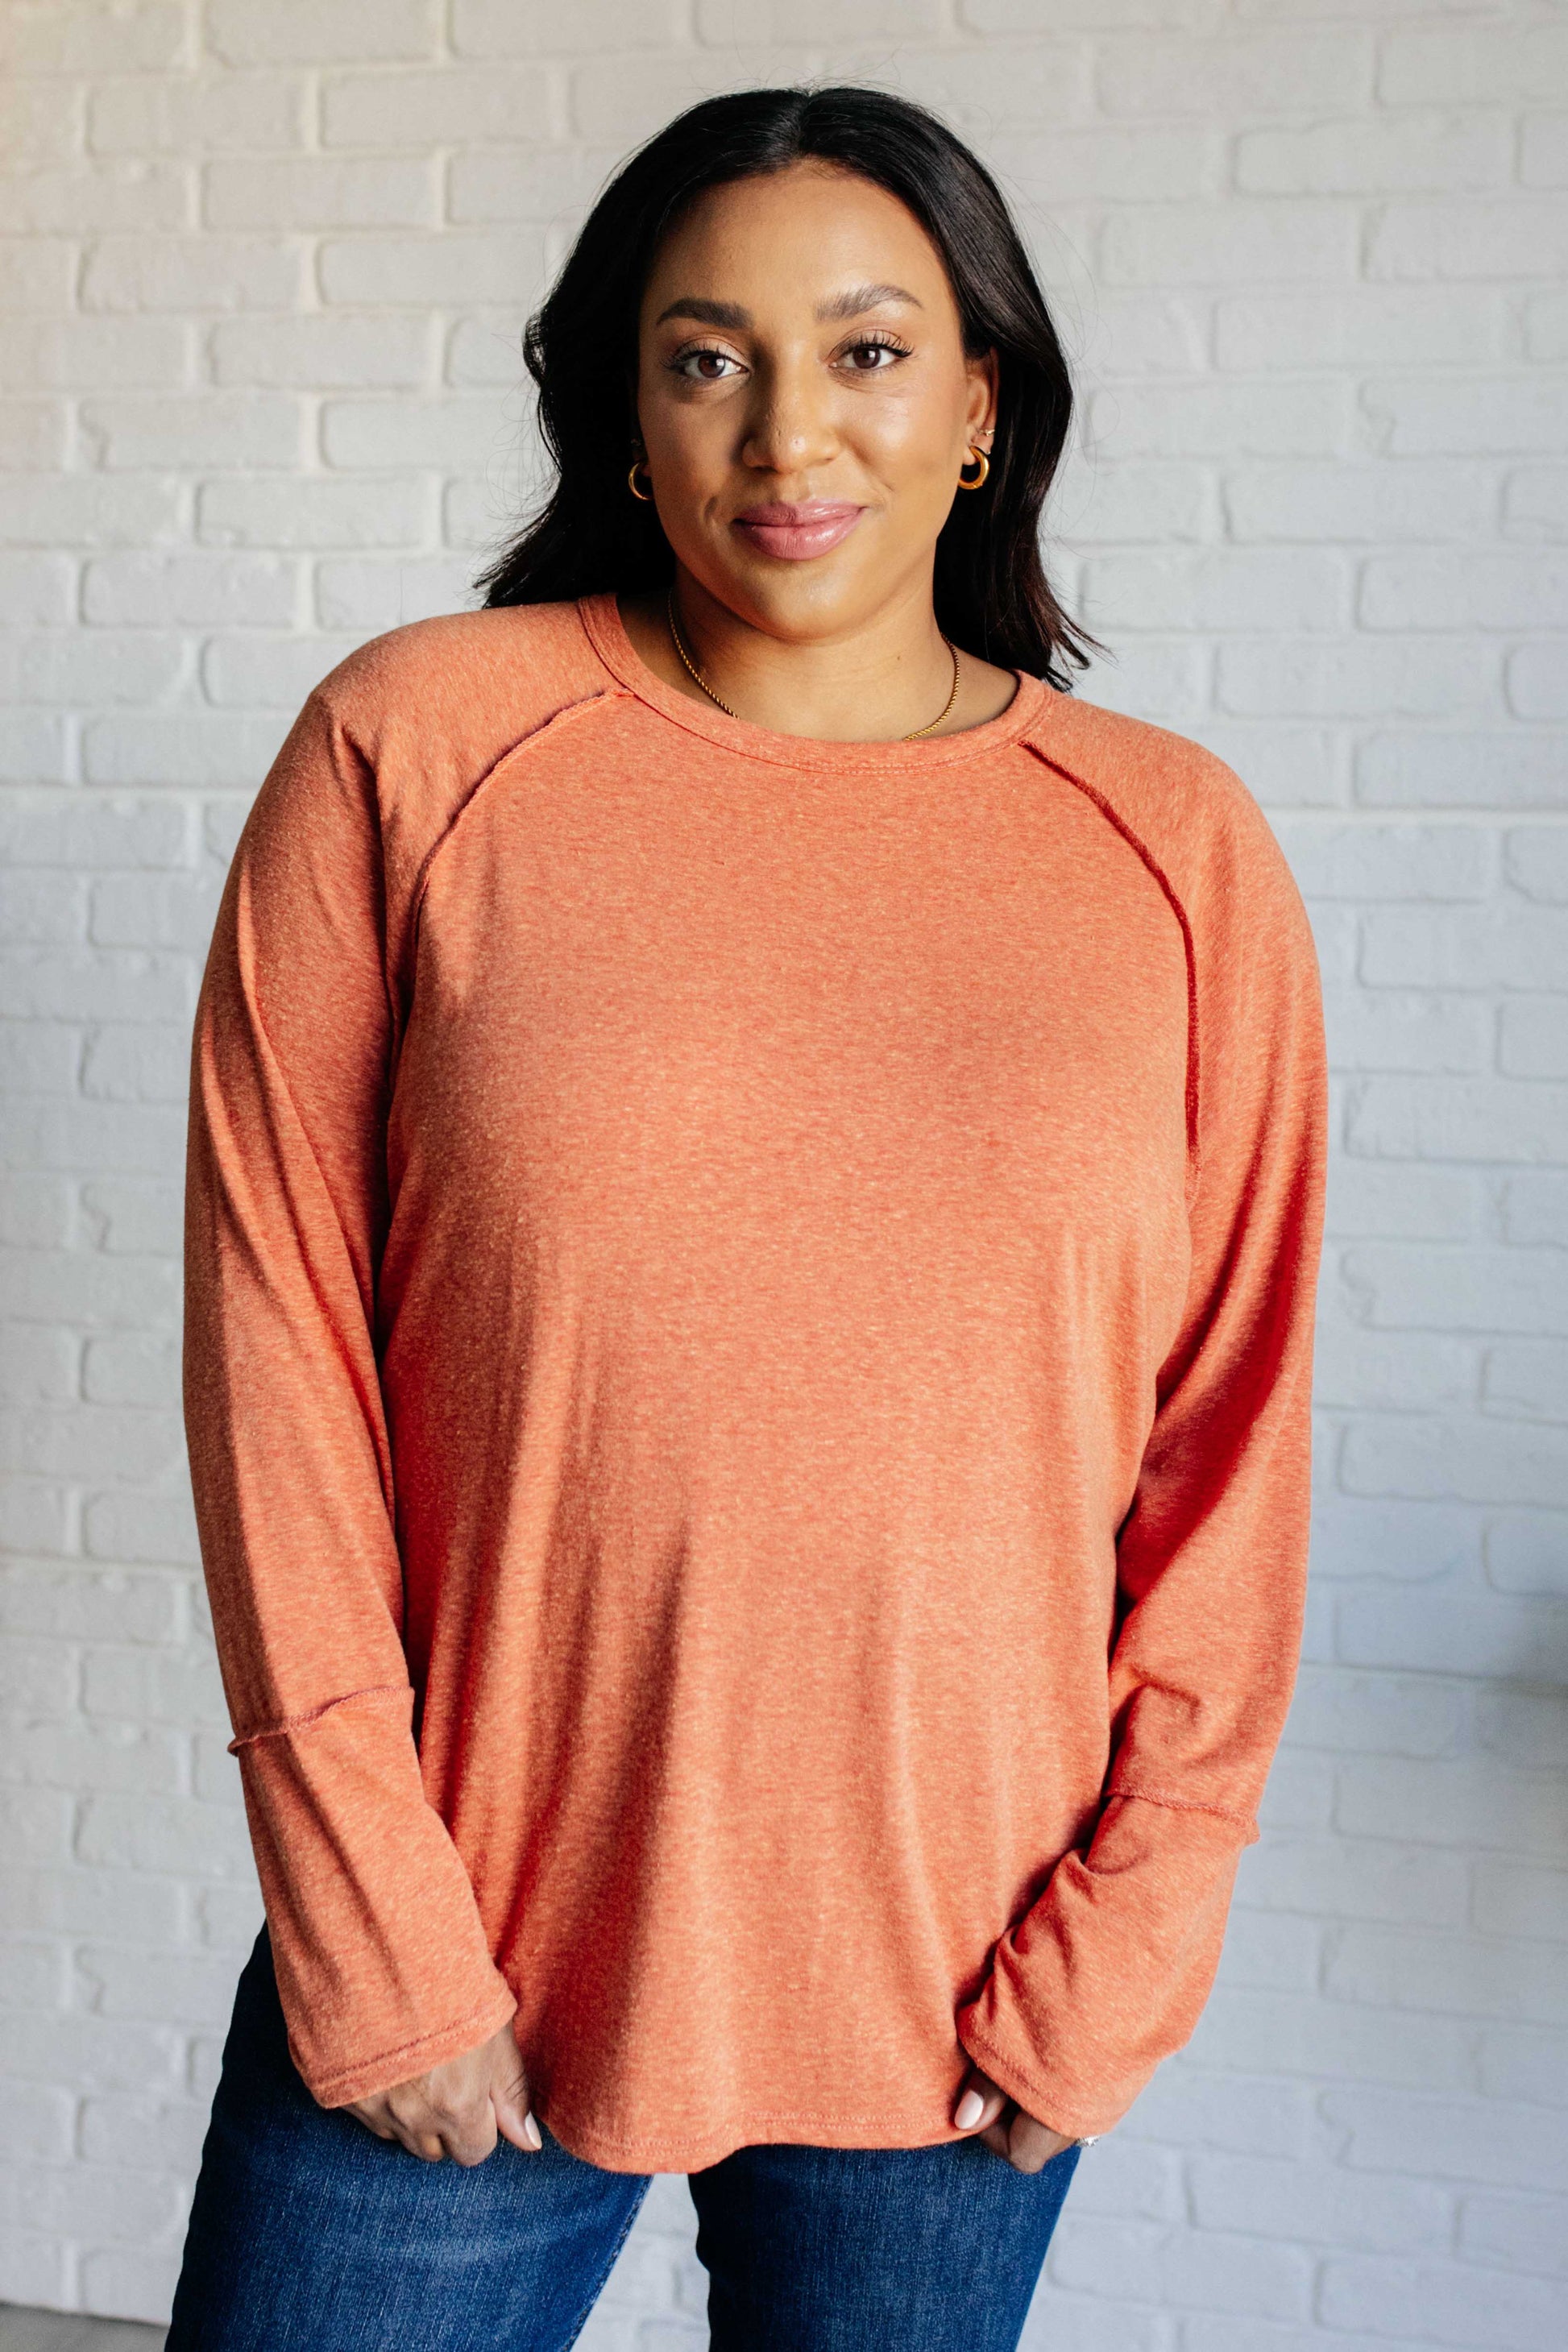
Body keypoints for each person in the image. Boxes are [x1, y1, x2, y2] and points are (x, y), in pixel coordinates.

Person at [166, 82, 1327, 2352]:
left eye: (869, 349)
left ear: (979, 404)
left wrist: (1138, 1929)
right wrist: (370, 1922)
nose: (790, 431)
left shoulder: (1172, 846)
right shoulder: (417, 748)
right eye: (706, 357)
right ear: (624, 410)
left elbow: (1233, 1439)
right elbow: (274, 1352)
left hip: (972, 1987)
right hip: (462, 1950)